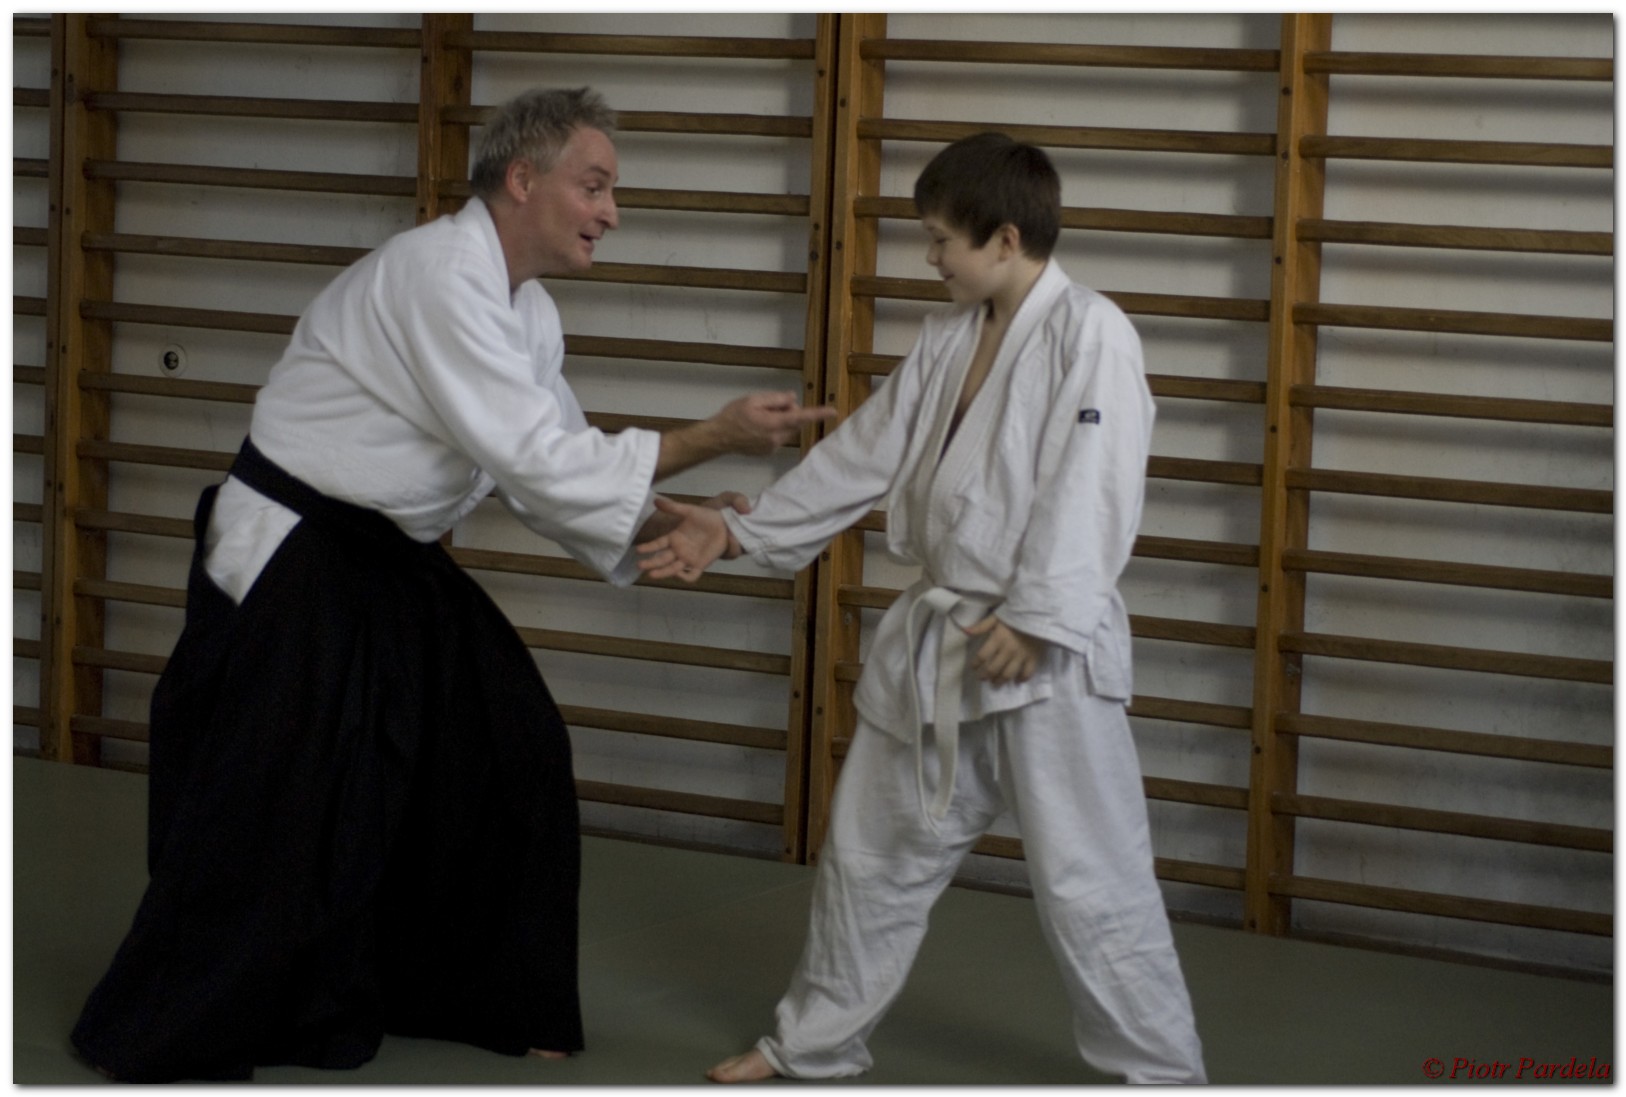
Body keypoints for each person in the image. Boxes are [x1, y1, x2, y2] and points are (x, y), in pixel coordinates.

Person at [70, 86, 833, 1083]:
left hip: (387, 552)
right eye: (594, 186)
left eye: (612, 193)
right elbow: (535, 456)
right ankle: (186, 1016)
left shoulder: (530, 313)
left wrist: (679, 518)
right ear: (522, 179)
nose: (611, 212)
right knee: (286, 792)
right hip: (297, 544)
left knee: (509, 740)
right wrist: (713, 435)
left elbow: (546, 467)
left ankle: (477, 991)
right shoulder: (437, 271)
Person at [637, 132, 1206, 1084]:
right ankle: (812, 1041)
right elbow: (864, 456)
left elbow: (1096, 483)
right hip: (942, 640)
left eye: (942, 239)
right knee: (869, 854)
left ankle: (1162, 1073)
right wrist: (737, 532)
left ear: (1006, 239)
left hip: (1043, 656)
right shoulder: (949, 336)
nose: (930, 256)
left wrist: (1040, 617)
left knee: (1091, 879)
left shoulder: (1092, 332)